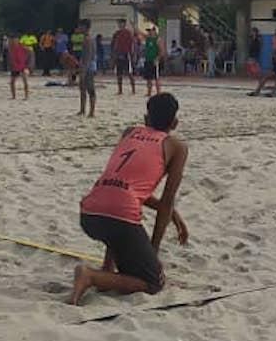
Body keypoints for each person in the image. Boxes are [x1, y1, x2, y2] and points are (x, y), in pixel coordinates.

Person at [69, 93, 189, 305]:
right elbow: (166, 202)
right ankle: (90, 276)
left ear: (145, 118)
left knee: (119, 216)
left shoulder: (129, 132)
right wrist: (153, 252)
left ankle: (107, 270)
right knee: (153, 282)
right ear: (175, 123)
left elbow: (126, 185)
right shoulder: (177, 147)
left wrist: (175, 216)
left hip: (89, 213)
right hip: (118, 219)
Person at [75, 20, 99, 117]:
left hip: (88, 66)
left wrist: (83, 70)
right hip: (88, 65)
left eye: (80, 27)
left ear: (85, 27)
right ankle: (83, 110)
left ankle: (91, 111)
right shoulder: (88, 38)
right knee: (83, 88)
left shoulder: (88, 39)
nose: (79, 29)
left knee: (89, 88)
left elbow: (88, 57)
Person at [111, 19, 137, 95]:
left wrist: (133, 54)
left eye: (121, 24)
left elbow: (133, 43)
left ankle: (133, 90)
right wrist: (113, 55)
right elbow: (114, 45)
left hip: (126, 54)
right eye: (119, 24)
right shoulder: (116, 33)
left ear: (124, 24)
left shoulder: (128, 33)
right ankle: (120, 90)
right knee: (119, 74)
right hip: (118, 54)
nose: (120, 25)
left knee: (129, 73)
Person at [141, 26, 164, 97]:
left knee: (157, 77)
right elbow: (140, 33)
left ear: (154, 31)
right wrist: (133, 26)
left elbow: (162, 51)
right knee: (148, 78)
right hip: (148, 60)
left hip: (154, 61)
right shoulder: (148, 39)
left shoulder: (158, 39)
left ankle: (158, 92)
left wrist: (157, 59)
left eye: (150, 31)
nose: (149, 32)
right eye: (148, 31)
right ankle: (149, 92)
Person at [7, 34, 31, 100]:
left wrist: (27, 63)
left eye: (15, 39)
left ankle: (26, 96)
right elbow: (10, 57)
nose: (14, 41)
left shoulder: (22, 46)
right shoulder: (10, 47)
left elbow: (30, 52)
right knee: (12, 82)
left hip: (22, 66)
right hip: (15, 66)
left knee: (25, 81)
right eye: (13, 40)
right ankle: (13, 96)